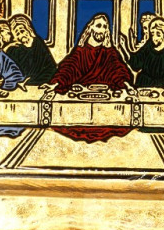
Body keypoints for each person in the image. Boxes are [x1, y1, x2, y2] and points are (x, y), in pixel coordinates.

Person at [50, 13, 133, 142]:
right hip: (81, 94)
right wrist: (55, 83)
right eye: (98, 26)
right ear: (90, 28)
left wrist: (127, 85)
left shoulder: (109, 52)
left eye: (105, 27)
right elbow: (68, 69)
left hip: (104, 95)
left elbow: (118, 70)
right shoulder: (80, 51)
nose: (102, 30)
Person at [6, 13, 58, 85]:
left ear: (28, 29)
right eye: (17, 33)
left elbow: (50, 67)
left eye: (22, 31)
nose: (21, 35)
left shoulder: (38, 43)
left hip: (41, 82)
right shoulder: (14, 49)